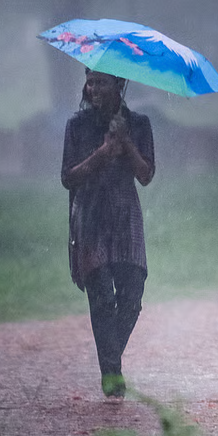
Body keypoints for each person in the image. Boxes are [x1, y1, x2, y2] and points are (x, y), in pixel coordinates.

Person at [61, 68, 155, 398]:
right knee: (102, 298)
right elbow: (68, 177)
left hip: (125, 217)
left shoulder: (140, 123)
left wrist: (126, 143)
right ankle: (112, 375)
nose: (94, 88)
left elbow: (145, 175)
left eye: (102, 81)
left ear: (119, 83)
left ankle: (110, 360)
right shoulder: (78, 125)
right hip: (91, 217)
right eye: (90, 81)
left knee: (131, 298)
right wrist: (102, 153)